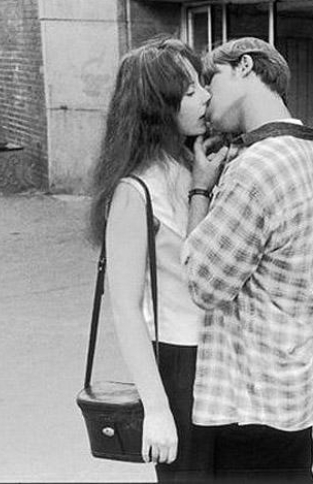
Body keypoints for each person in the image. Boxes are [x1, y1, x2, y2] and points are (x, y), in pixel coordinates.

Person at [182, 37, 313, 483]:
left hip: (250, 396)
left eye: (210, 79)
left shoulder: (256, 168)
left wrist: (201, 188)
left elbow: (203, 282)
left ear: (243, 66)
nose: (206, 97)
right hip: (300, 384)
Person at [87, 36, 227, 481]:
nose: (206, 96)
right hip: (179, 362)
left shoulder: (196, 163)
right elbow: (126, 308)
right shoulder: (134, 192)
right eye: (190, 92)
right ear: (157, 108)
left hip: (224, 352)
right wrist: (158, 409)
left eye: (201, 85)